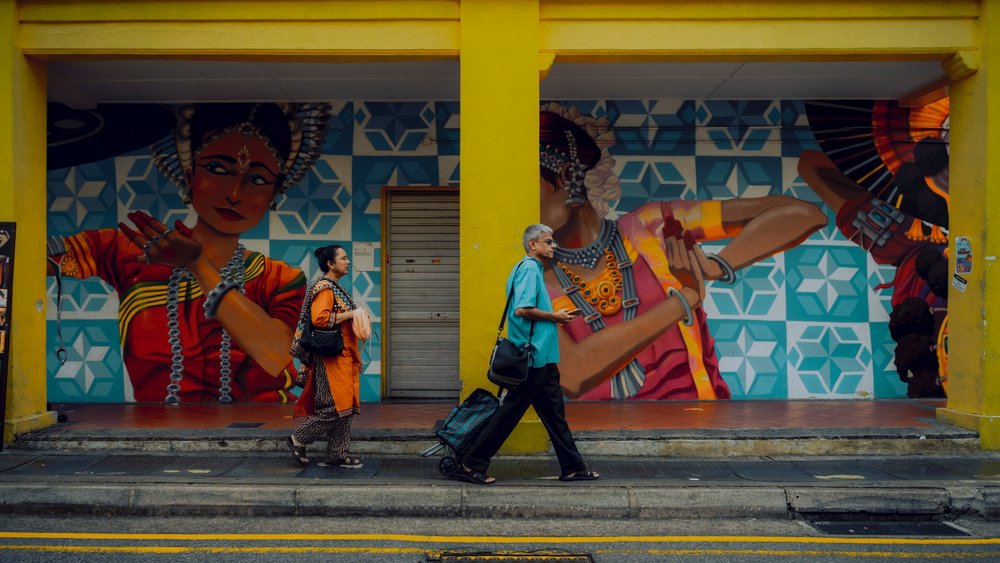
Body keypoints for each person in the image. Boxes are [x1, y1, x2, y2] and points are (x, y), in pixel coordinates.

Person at [46, 103, 331, 403]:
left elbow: (275, 357)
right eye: (218, 169)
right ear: (189, 175)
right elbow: (17, 261)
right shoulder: (129, 248)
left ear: (274, 194)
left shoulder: (281, 279)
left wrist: (198, 265)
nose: (235, 193)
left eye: (257, 179)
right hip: (158, 433)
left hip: (263, 428)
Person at [539, 107, 828, 401]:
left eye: (525, 186)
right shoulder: (535, 276)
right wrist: (686, 299)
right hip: (598, 435)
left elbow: (804, 215)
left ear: (564, 176)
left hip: (697, 423)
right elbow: (572, 375)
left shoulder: (653, 226)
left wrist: (715, 267)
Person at [451, 225, 613, 484]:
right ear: (532, 245)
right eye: (547, 242)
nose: (553, 246)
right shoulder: (528, 269)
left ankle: (573, 468)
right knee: (509, 414)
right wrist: (555, 316)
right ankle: (471, 464)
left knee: (554, 415)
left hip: (543, 358)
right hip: (533, 357)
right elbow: (522, 309)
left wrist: (553, 319)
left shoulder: (529, 269)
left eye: (553, 242)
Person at [287, 245, 366, 468]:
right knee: (332, 406)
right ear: (331, 264)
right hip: (330, 358)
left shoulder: (335, 288)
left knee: (346, 407)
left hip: (342, 356)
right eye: (343, 258)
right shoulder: (325, 288)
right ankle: (298, 438)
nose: (348, 261)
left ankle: (336, 454)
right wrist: (352, 314)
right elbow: (320, 319)